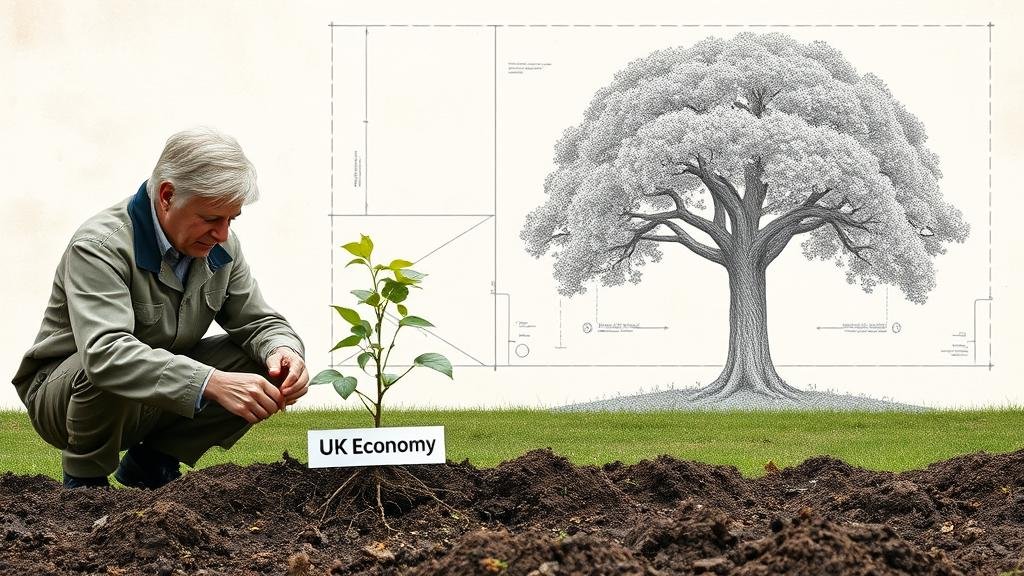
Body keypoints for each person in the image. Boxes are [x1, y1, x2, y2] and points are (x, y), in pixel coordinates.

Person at [11, 127, 309, 489]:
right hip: (65, 398)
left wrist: (284, 351)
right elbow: (105, 353)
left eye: (232, 220)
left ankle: (152, 464)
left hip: (156, 394)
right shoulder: (99, 246)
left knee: (260, 362)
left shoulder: (221, 248)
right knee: (109, 363)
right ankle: (85, 486)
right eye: (213, 218)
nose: (223, 234)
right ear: (167, 196)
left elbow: (259, 322)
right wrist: (212, 382)